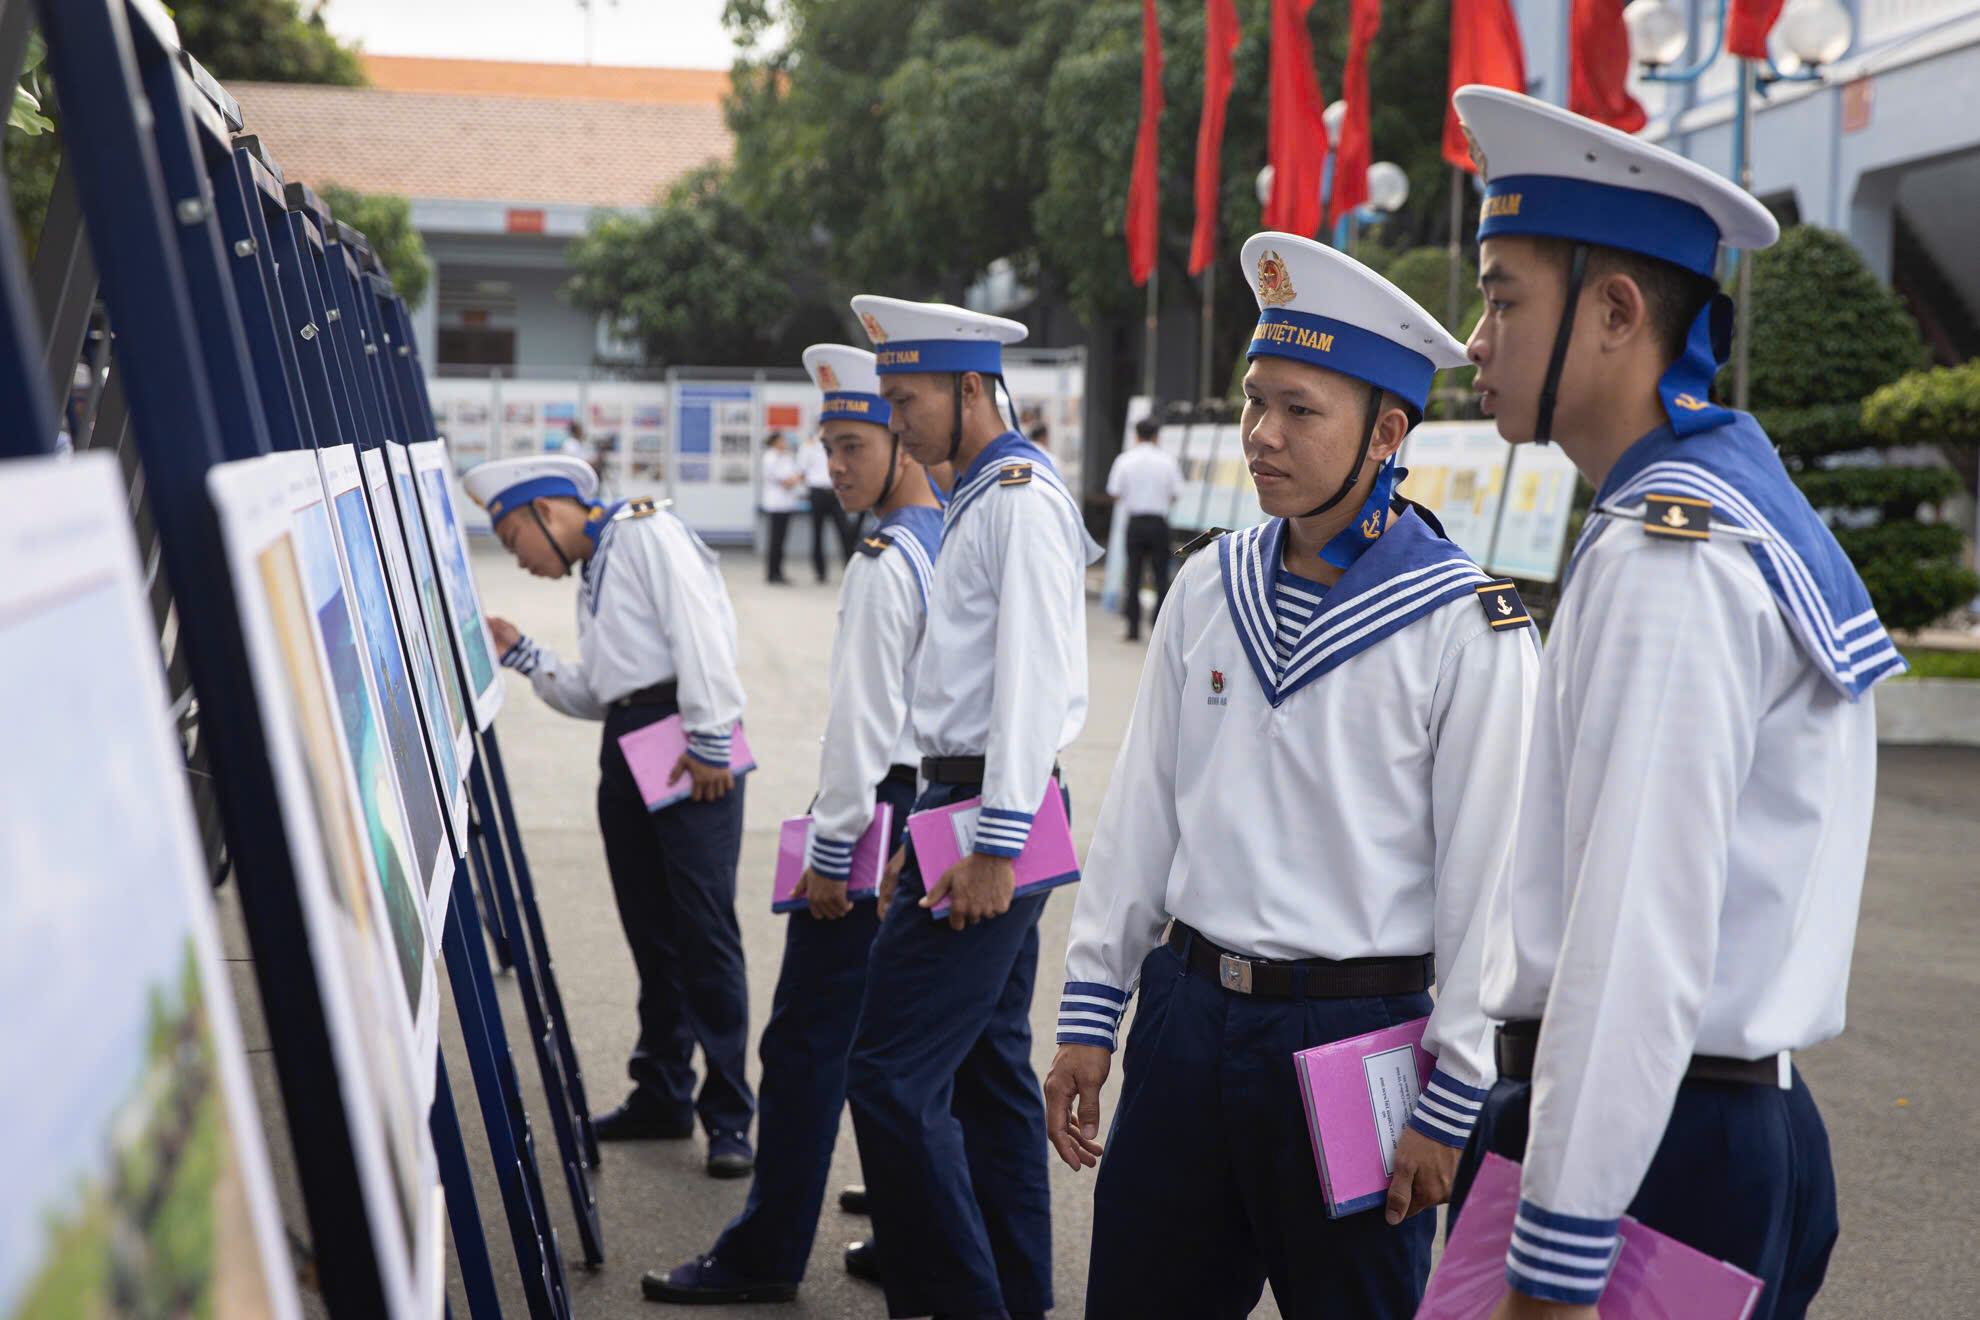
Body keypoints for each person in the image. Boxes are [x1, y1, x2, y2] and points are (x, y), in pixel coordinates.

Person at [1446, 86, 1905, 1320]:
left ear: (1614, 311)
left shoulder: (1673, 556)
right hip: (1694, 1120)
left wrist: (1557, 1256)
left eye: (1501, 299)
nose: (1474, 340)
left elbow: (1634, 938)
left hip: (1646, 1153)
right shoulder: (1709, 508)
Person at [1044, 235, 1539, 1319]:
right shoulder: (1209, 584)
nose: (1262, 436)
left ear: (1389, 431)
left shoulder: (1467, 627)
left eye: (1300, 410)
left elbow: (1488, 882)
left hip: (1356, 1041)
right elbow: (1141, 817)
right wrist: (1093, 1007)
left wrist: (1453, 1093)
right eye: (1255, 401)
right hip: (1184, 1019)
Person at [643, 344, 945, 1305]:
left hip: (875, 813)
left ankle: (766, 1253)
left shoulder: (886, 561)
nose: (835, 468)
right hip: (935, 812)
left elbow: (862, 731)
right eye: (828, 446)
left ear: (905, 438)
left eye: (855, 444)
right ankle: (914, 1235)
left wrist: (829, 855)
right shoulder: (952, 540)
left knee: (809, 1045)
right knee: (915, 1046)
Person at [842, 294, 1101, 1320]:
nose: (896, 423)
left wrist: (993, 842)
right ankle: (1015, 1293)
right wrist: (925, 825)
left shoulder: (1020, 501)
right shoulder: (982, 498)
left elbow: (1029, 687)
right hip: (967, 802)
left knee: (892, 1077)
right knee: (989, 1072)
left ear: (967, 388)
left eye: (905, 399)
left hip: (1000, 807)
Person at [467, 454, 757, 1180]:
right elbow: (603, 688)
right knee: (652, 934)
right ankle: (662, 1092)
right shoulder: (599, 562)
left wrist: (713, 739)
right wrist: (524, 656)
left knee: (704, 931)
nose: (519, 558)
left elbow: (702, 631)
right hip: (630, 741)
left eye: (513, 539)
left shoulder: (645, 532)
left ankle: (729, 1117)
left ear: (551, 512)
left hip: (689, 744)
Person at [1105, 415, 1184, 641]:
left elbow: (1115, 492)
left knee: (1134, 575)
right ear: (1156, 435)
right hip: (1159, 523)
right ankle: (1158, 628)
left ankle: (1132, 628)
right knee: (1161, 577)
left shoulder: (1125, 460)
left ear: (1136, 435)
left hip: (1136, 522)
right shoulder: (1167, 460)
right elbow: (1175, 493)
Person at [800, 426, 854, 580]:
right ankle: (820, 572)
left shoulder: (836, 445)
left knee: (844, 531)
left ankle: (850, 568)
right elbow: (802, 471)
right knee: (817, 533)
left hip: (835, 491)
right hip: (817, 491)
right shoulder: (809, 446)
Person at [760, 431, 803, 584]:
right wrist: (795, 478)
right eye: (782, 440)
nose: (785, 442)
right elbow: (787, 480)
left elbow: (797, 476)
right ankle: (772, 573)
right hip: (776, 504)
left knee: (782, 540)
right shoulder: (770, 457)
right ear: (775, 441)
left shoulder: (786, 456)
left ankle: (778, 572)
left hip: (786, 503)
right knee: (775, 541)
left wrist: (796, 478)